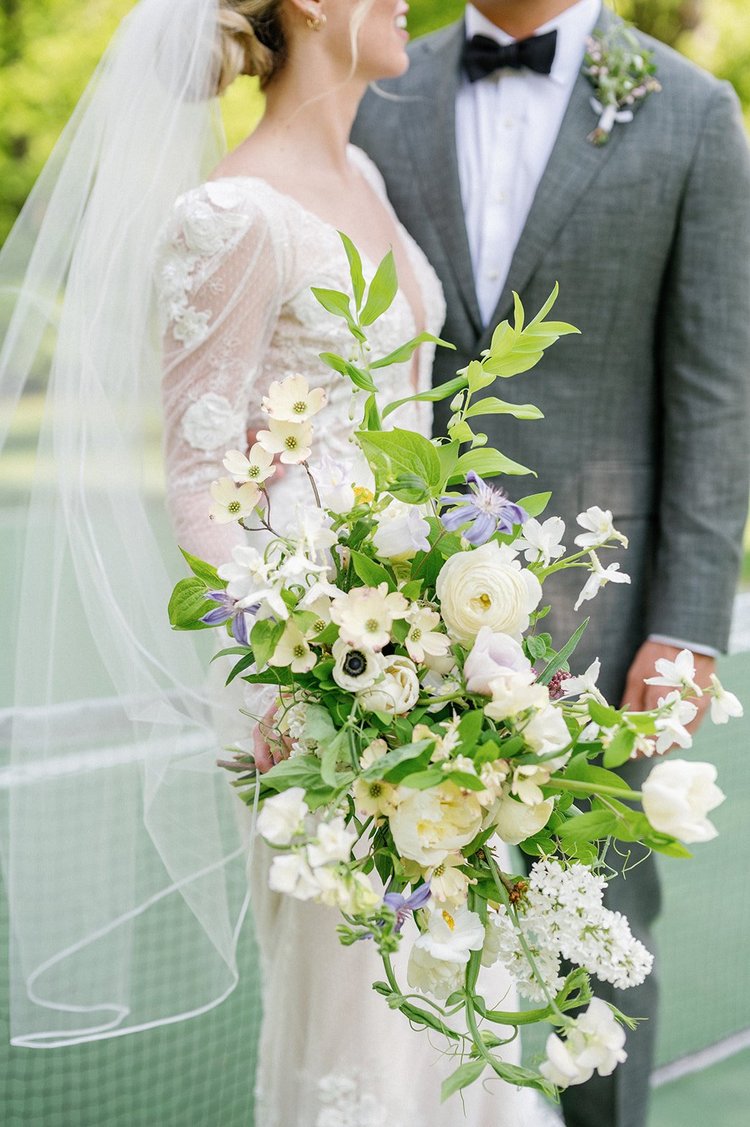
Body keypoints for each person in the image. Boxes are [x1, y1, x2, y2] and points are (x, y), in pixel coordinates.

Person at [0, 0, 553, 1123]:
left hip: (436, 665)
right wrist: (322, 661)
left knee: (457, 995)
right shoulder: (230, 213)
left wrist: (467, 633)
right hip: (319, 697)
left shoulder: (369, 181)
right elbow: (200, 487)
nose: (406, 0)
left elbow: (404, 433)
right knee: (360, 1007)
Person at [352, 2, 750, 1126]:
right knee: (397, 947)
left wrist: (688, 625)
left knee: (600, 950)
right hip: (395, 618)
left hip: (604, 629)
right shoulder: (376, 88)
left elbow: (717, 401)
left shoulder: (693, 112)